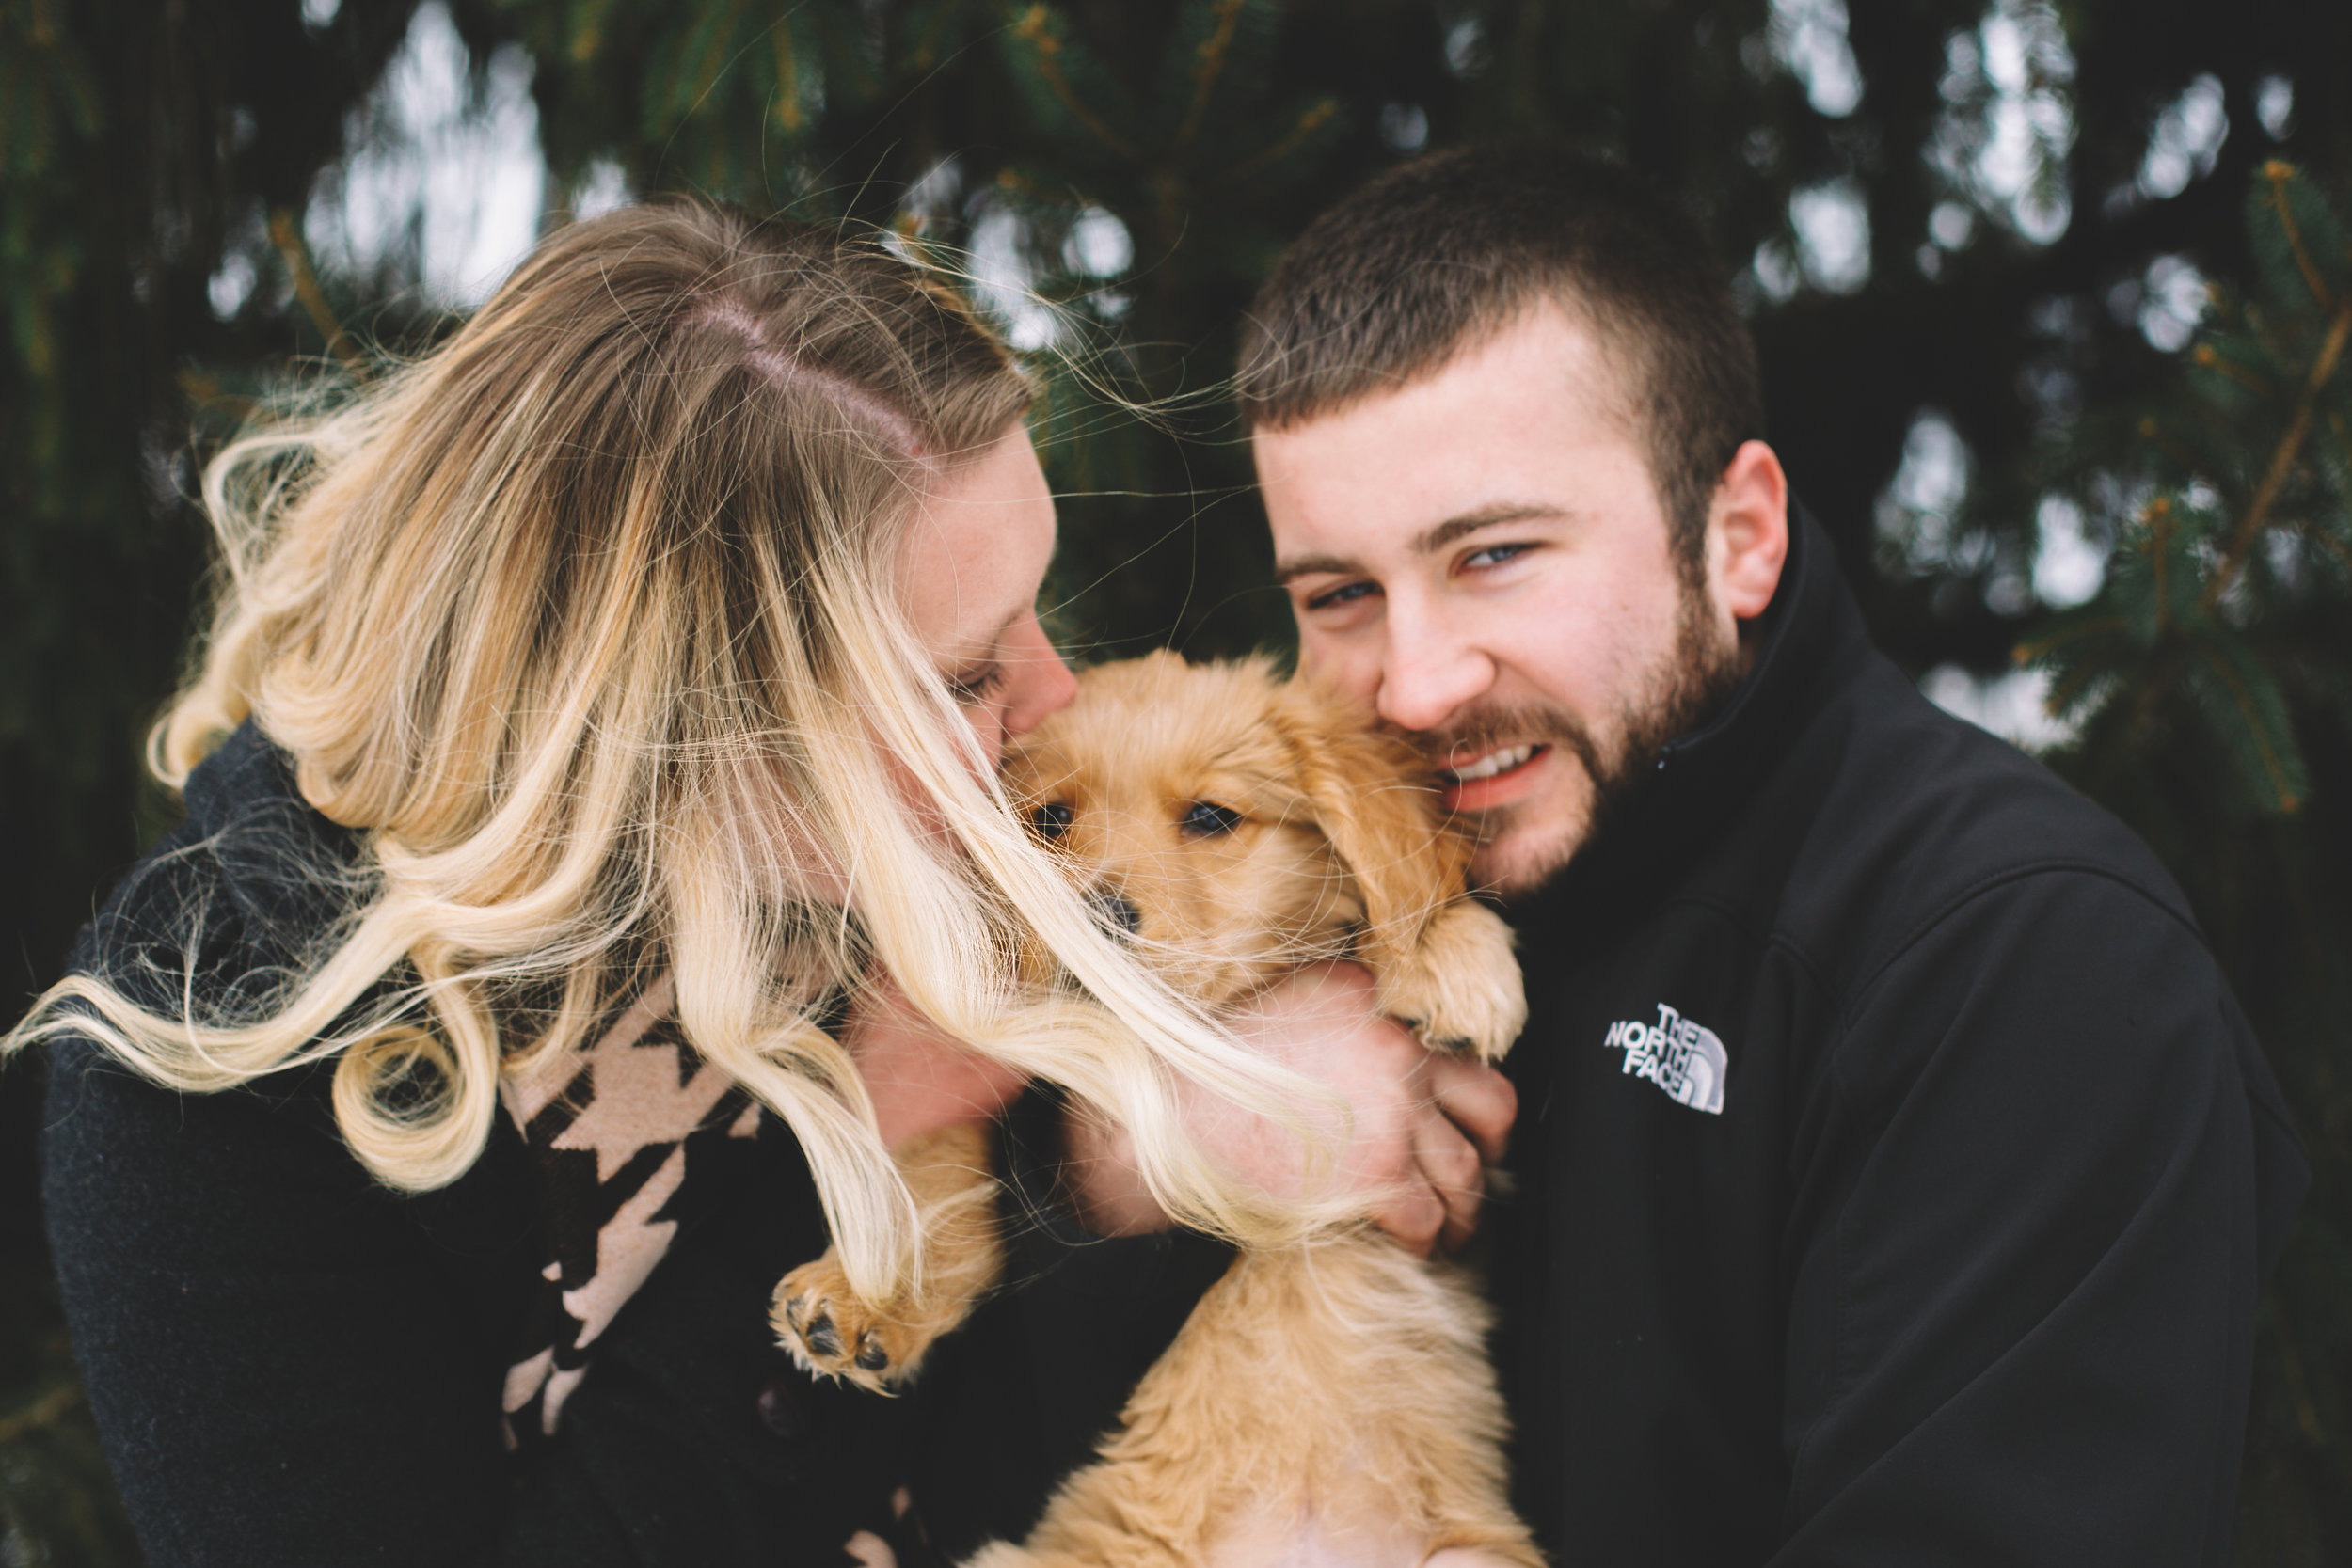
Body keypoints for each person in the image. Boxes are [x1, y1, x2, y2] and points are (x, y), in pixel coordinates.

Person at [914, 146, 2309, 1567]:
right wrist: (1143, 1163)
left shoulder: (2016, 960)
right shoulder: (1317, 889)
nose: (1417, 684)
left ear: (1741, 535)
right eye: (1340, 595)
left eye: (1496, 556)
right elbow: (933, 1469)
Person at [16, 199, 1426, 1566]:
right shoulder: (203, 1066)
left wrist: (1134, 1169)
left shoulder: (914, 850)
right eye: (968, 675)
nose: (1054, 697)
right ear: (678, 730)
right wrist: (862, 1129)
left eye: (1033, 614)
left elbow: (1008, 1438)